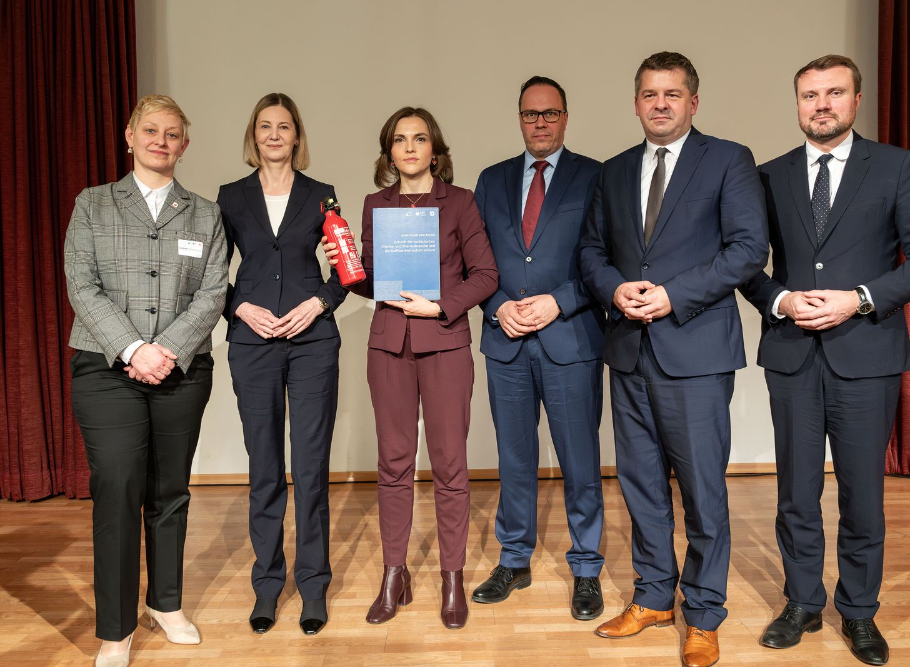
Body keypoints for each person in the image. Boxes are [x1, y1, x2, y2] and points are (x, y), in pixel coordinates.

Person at [739, 55, 910, 666]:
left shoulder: (894, 167)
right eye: (809, 95)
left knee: (862, 496)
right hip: (792, 356)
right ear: (798, 103)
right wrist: (779, 298)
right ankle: (802, 602)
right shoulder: (768, 175)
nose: (821, 104)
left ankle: (859, 612)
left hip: (868, 356)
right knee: (795, 494)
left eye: (834, 92)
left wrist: (859, 299)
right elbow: (745, 262)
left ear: (857, 100)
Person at [579, 52, 768, 667]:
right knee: (639, 486)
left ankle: (705, 612)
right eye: (649, 94)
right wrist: (615, 288)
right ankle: (655, 594)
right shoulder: (611, 172)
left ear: (694, 103)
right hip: (629, 352)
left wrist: (671, 294)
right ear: (635, 103)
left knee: (703, 491)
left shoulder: (728, 159)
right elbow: (591, 252)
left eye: (673, 94)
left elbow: (747, 250)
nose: (660, 104)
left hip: (695, 351)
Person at [64, 94, 227, 667]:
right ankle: (115, 628)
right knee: (118, 489)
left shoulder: (205, 214)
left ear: (185, 144)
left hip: (182, 372)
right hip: (106, 370)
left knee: (169, 492)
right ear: (129, 137)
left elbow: (213, 293)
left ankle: (166, 604)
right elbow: (81, 286)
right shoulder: (92, 205)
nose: (162, 140)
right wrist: (134, 349)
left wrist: (167, 351)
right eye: (151, 130)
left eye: (173, 133)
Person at [322, 106, 498, 629]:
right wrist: (343, 262)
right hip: (388, 346)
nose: (411, 148)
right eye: (400, 140)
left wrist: (442, 304)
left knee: (449, 465)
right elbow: (370, 281)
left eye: (420, 139)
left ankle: (451, 578)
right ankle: (393, 574)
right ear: (389, 151)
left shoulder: (460, 202)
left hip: (443, 342)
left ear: (435, 150)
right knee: (393, 465)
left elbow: (486, 274)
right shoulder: (377, 204)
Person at [471, 76, 606, 620]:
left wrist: (561, 301)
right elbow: (472, 259)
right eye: (531, 114)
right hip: (506, 341)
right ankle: (515, 559)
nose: (541, 123)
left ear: (566, 117)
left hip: (570, 339)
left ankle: (588, 567)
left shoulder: (595, 177)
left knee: (580, 461)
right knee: (514, 459)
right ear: (520, 119)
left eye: (550, 114)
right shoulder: (491, 180)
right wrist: (496, 303)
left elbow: (604, 259)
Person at [217, 92, 348, 636]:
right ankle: (268, 587)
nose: (274, 134)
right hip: (252, 344)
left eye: (284, 126)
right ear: (254, 135)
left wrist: (318, 302)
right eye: (265, 126)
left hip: (313, 341)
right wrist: (239, 307)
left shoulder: (323, 196)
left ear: (297, 136)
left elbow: (348, 270)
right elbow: (208, 279)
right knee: (264, 468)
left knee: (311, 467)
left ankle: (313, 585)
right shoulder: (229, 196)